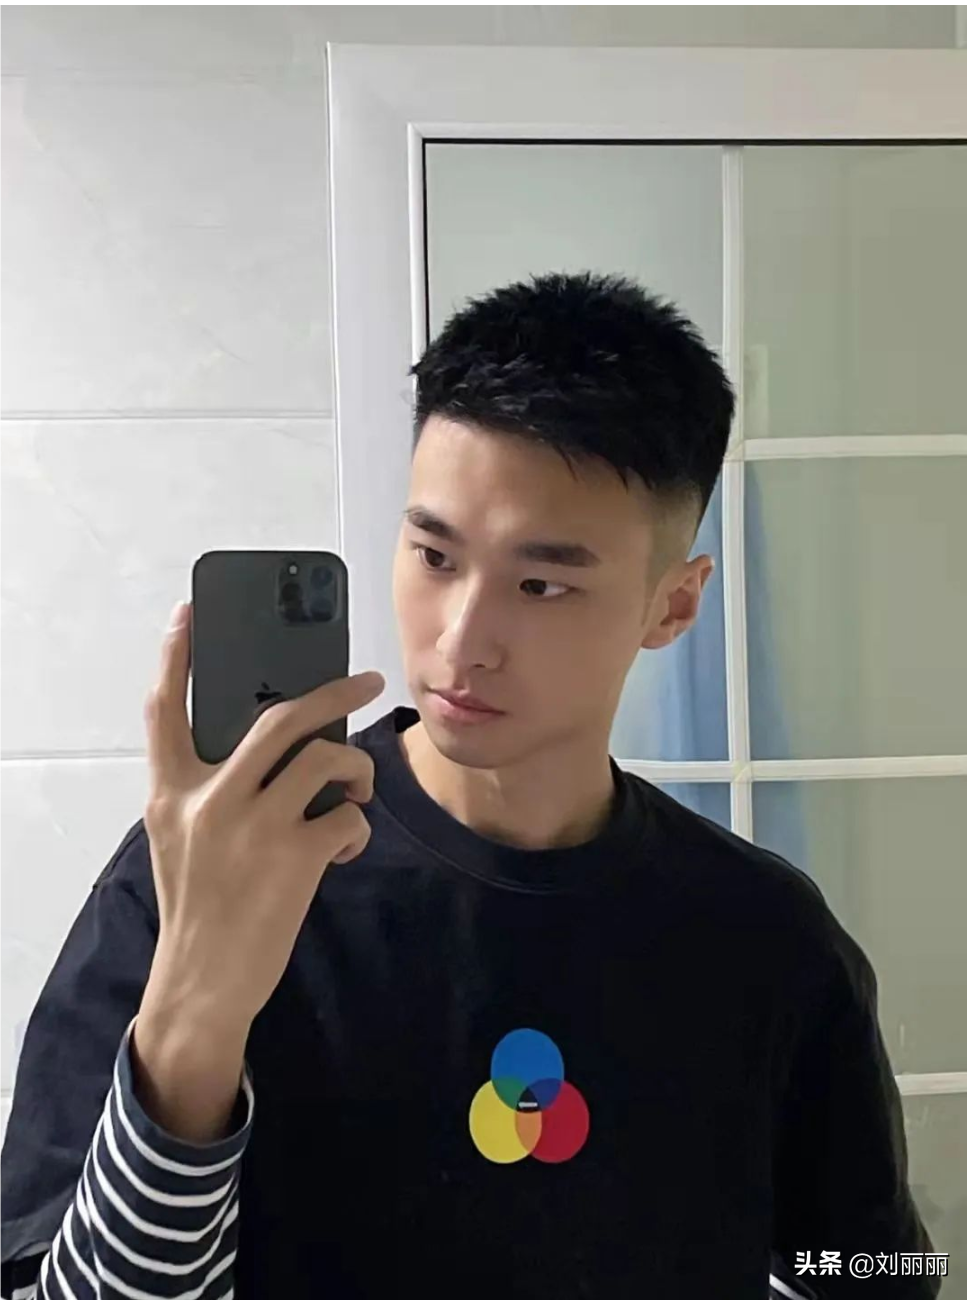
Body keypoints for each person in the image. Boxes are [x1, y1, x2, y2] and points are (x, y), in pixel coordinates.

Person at [0, 272, 939, 1300]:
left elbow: (875, 1270)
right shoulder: (205, 874)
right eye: (435, 555)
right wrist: (195, 1014)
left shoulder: (767, 940)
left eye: (541, 583)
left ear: (672, 604)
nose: (460, 640)